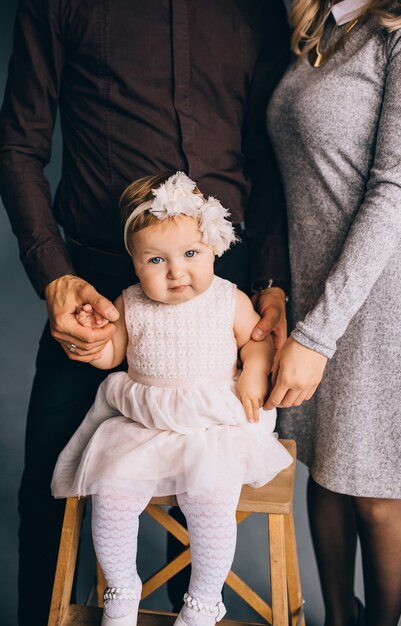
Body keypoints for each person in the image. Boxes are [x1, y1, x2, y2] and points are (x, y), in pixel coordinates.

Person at [0, 2, 291, 624]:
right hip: (95, 286)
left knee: (205, 493)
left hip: (222, 278)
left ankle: (193, 608)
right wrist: (54, 277)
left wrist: (268, 284)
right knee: (54, 482)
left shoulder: (258, 9)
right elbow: (19, 147)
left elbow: (268, 159)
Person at [51, 171, 293, 626]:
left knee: (209, 501)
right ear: (134, 261)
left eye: (190, 254)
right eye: (156, 261)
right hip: (146, 421)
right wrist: (93, 344)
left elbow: (256, 341)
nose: (177, 271)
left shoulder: (228, 299)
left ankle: (203, 601)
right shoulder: (129, 302)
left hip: (210, 425)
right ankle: (121, 590)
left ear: (213, 247)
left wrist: (255, 372)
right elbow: (113, 354)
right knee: (113, 497)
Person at [266, 1, 401, 625]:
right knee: (327, 471)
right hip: (314, 288)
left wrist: (319, 333)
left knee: (376, 489)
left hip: (379, 296)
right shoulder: (320, 30)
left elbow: (397, 187)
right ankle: (337, 619)